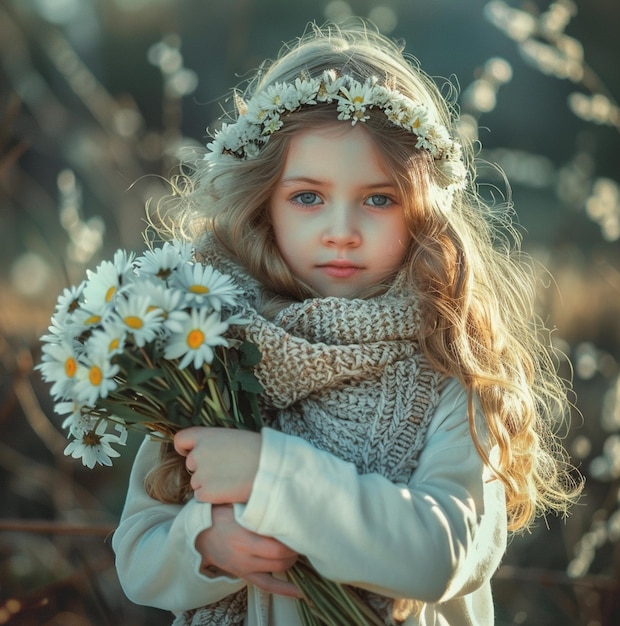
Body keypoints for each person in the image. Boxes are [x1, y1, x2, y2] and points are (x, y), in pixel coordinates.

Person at [112, 21, 580, 626]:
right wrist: (203, 543)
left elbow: (441, 554)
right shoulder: (209, 350)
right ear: (265, 202)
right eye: (307, 196)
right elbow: (137, 550)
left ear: (421, 210)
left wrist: (269, 474)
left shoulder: (449, 363)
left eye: (378, 199)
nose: (341, 230)